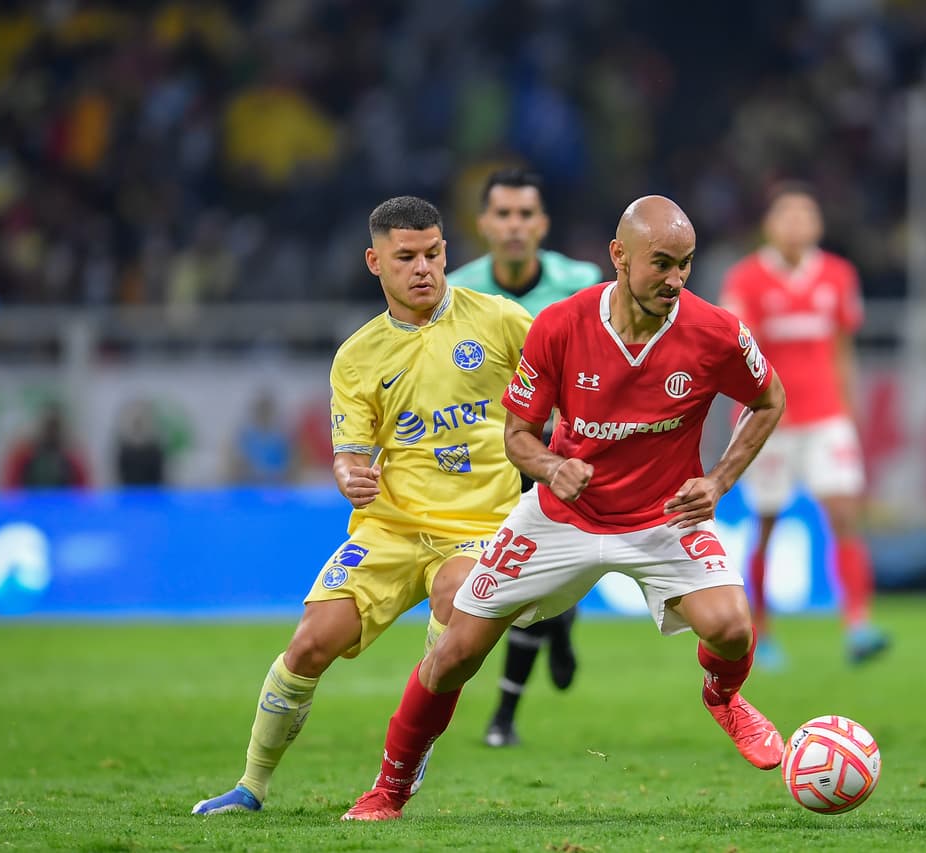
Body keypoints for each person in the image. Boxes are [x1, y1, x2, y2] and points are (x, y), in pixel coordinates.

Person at [340, 195, 788, 822]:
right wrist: (552, 467)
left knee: (733, 627)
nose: (676, 280)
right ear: (619, 255)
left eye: (685, 264)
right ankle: (389, 789)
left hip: (662, 516)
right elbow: (517, 436)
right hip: (560, 516)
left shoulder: (715, 332)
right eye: (661, 263)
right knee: (454, 654)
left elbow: (769, 400)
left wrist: (717, 483)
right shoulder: (560, 325)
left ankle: (724, 697)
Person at [191, 195, 533, 815]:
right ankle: (251, 786)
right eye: (406, 257)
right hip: (390, 529)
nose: (423, 267)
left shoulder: (502, 320)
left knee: (454, 602)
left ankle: (407, 757)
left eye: (433, 253)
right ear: (375, 262)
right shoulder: (357, 355)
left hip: (480, 527)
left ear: (446, 252)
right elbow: (350, 454)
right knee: (309, 645)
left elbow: (561, 389)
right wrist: (350, 477)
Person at [448, 167, 603, 748]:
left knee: (534, 574)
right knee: (522, 580)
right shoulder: (457, 291)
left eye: (525, 215)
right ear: (484, 224)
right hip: (492, 453)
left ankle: (503, 718)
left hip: (560, 449)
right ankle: (560, 629)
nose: (514, 225)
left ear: (542, 224)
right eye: (503, 214)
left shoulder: (581, 282)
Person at [719, 182, 888, 668]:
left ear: (818, 224)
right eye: (786, 215)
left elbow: (842, 350)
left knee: (845, 514)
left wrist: (850, 410)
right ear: (769, 225)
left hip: (826, 416)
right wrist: (753, 406)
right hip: (768, 420)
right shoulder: (746, 279)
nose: (796, 223)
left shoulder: (837, 275)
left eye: (805, 214)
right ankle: (763, 632)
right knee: (766, 524)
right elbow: (735, 353)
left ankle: (858, 624)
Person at [1, 402, 90, 489]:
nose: (51, 432)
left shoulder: (71, 459)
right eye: (48, 426)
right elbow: (10, 489)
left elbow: (83, 491)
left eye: (55, 427)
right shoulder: (24, 456)